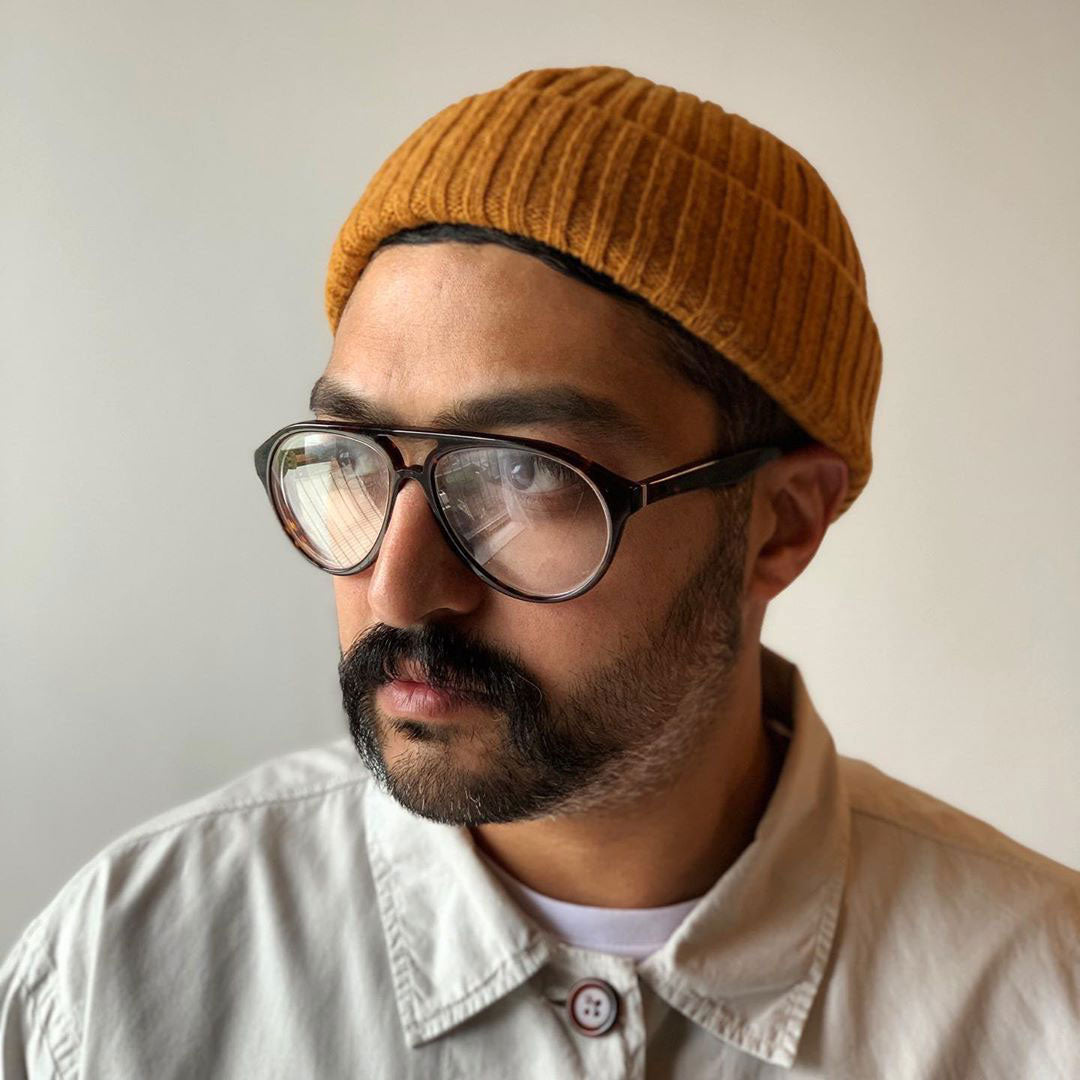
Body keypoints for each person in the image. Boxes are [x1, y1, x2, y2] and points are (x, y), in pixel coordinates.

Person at [2, 64, 1077, 1079]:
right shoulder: (121, 975)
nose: (398, 587)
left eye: (522, 478)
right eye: (355, 460)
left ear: (782, 525)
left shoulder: (1036, 1002)